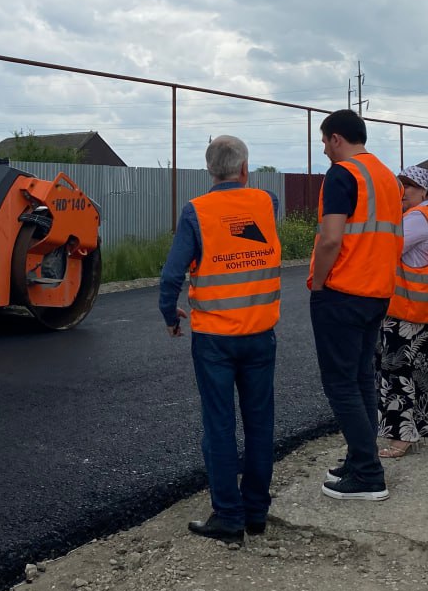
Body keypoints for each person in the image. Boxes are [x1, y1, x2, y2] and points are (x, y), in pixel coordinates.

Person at [159, 135, 282, 544]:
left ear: (209, 171)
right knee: (260, 422)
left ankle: (228, 516)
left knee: (219, 425)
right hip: (260, 334)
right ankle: (257, 512)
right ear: (245, 169)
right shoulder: (267, 204)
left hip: (214, 338)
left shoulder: (196, 212)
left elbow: (172, 276)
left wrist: (169, 315)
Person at [308, 109, 403, 501]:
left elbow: (331, 238)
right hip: (377, 291)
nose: (325, 150)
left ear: (335, 138)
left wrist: (319, 281)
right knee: (363, 378)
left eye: (325, 141)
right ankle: (359, 455)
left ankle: (367, 473)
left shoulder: (342, 174)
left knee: (341, 384)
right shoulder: (386, 177)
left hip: (343, 290)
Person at [376, 166, 428, 457]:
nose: (402, 191)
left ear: (423, 191)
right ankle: (416, 430)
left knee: (399, 374)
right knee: (422, 374)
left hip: (406, 313)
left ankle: (401, 437)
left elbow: (386, 248)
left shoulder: (417, 218)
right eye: (400, 185)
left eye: (408, 186)